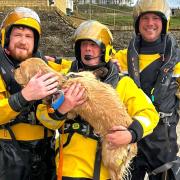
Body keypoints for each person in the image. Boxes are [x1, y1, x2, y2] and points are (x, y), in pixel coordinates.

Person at [37, 20, 159, 180]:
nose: (88, 49)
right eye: (84, 44)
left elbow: (150, 113)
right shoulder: (63, 81)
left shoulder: (123, 83)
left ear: (105, 50)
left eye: (94, 45)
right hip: (68, 169)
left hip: (105, 171)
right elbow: (44, 119)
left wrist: (131, 134)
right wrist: (62, 109)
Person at [115, 0, 180, 179]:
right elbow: (90, 62)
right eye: (145, 18)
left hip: (163, 139)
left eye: (155, 18)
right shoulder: (120, 59)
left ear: (164, 22)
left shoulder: (177, 61)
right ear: (137, 23)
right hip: (131, 135)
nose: (150, 23)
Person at [0, 7, 62, 180]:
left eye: (29, 37)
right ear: (6, 38)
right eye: (18, 35)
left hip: (45, 153)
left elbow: (83, 65)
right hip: (8, 154)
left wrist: (112, 66)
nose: (23, 41)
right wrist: (23, 96)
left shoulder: (46, 67)